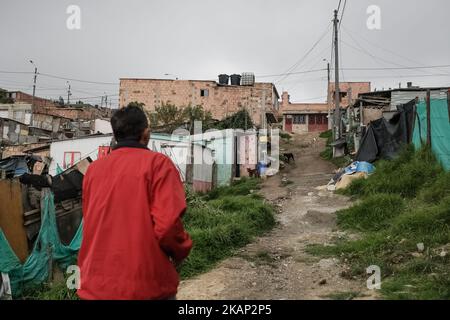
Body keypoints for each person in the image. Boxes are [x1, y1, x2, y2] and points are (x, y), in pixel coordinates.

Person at [77, 106, 192, 300]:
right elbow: (168, 227)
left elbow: (89, 220)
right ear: (146, 134)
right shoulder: (158, 164)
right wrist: (181, 250)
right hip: (146, 285)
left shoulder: (94, 170)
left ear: (116, 134)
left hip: (95, 285)